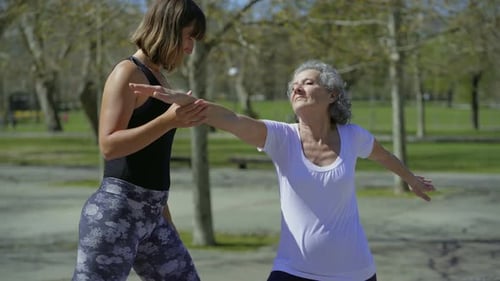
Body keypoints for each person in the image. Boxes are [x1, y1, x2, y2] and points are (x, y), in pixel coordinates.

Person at [130, 60, 435, 281]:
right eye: (294, 84)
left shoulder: (353, 136)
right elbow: (234, 120)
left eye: (308, 82)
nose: (297, 87)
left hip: (354, 272)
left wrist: (410, 179)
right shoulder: (282, 137)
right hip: (293, 270)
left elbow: (384, 156)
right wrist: (193, 103)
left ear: (332, 95)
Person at [72, 1, 207, 280]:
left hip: (154, 216)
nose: (190, 47)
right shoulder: (127, 72)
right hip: (115, 216)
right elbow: (109, 146)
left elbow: (153, 158)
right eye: (189, 36)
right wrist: (168, 120)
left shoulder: (161, 79)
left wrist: (166, 221)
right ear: (168, 28)